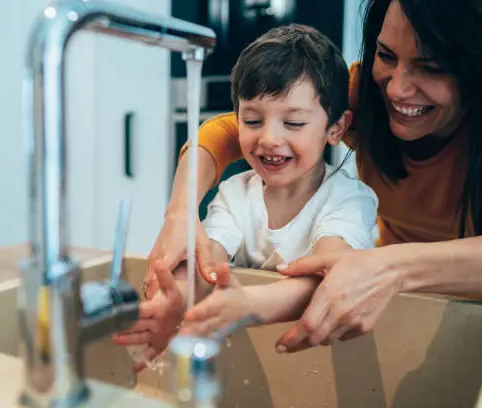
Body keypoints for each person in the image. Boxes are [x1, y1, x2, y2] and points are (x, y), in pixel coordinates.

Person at [145, 0, 482, 353]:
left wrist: (389, 267)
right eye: (385, 55)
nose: (397, 88)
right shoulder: (366, 94)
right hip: (398, 303)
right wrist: (180, 212)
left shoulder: (346, 200)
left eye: (430, 67)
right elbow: (228, 130)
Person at [113, 24, 378, 369]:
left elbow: (332, 275)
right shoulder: (235, 193)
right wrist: (174, 297)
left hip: (329, 363)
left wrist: (246, 304)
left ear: (335, 128)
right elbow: (207, 261)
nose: (268, 138)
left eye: (294, 123)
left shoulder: (348, 198)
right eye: (252, 121)